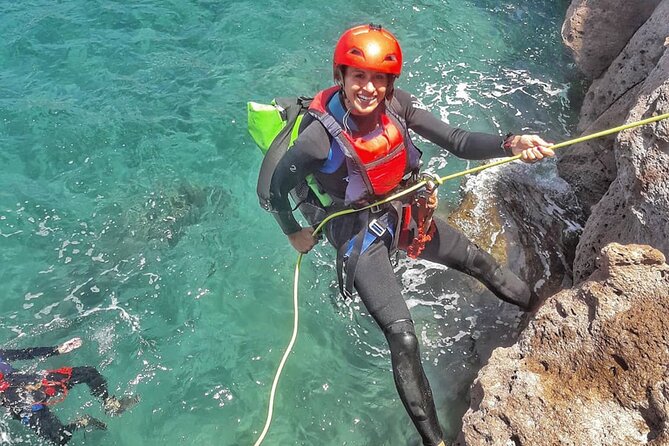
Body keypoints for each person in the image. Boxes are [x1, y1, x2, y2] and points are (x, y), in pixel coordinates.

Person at [265, 24, 554, 446]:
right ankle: (434, 441)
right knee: (402, 337)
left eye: (379, 78)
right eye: (359, 76)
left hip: (401, 207)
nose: (369, 88)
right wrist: (294, 233)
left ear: (390, 82)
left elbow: (456, 139)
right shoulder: (316, 140)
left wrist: (511, 142)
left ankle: (542, 311)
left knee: (479, 262)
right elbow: (276, 190)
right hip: (354, 229)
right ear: (341, 77)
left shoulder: (398, 106)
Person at [0, 337, 139, 445]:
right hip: (20, 402)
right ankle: (82, 422)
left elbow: (24, 353)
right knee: (60, 438)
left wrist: (57, 350)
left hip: (35, 381)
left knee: (89, 373)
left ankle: (110, 404)